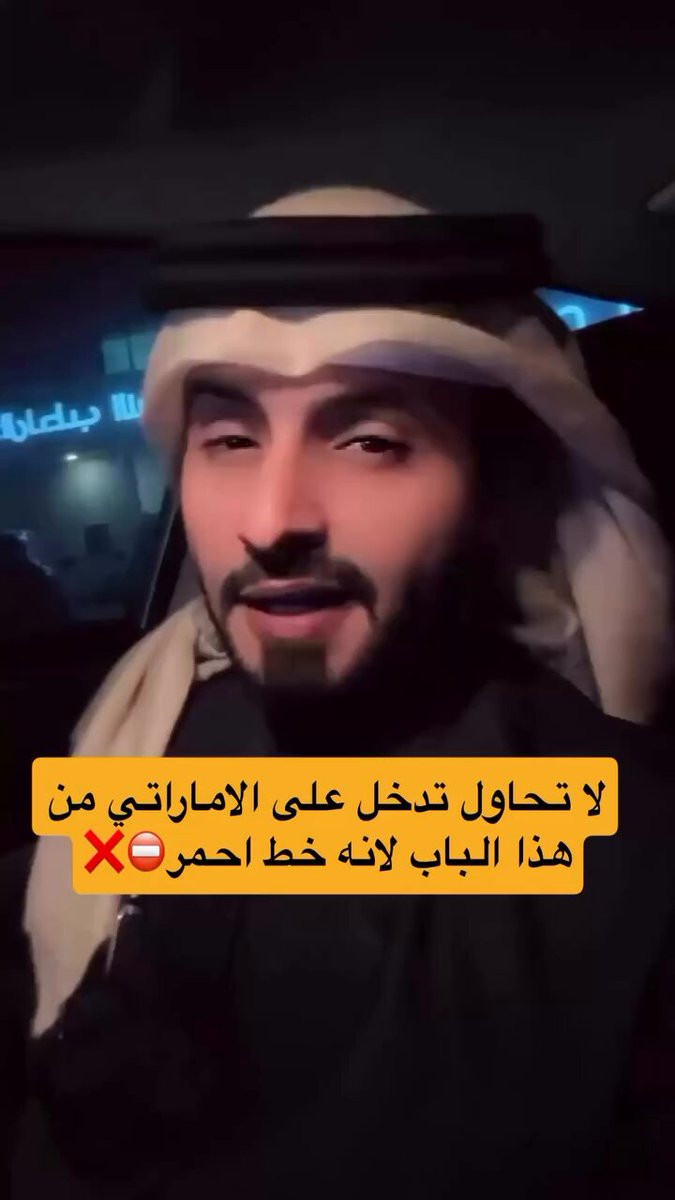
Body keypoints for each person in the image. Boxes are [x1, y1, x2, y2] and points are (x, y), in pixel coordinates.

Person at [10, 187, 675, 1199]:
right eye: (230, 440)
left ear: (494, 489)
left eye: (369, 440)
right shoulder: (156, 733)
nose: (274, 519)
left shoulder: (624, 839)